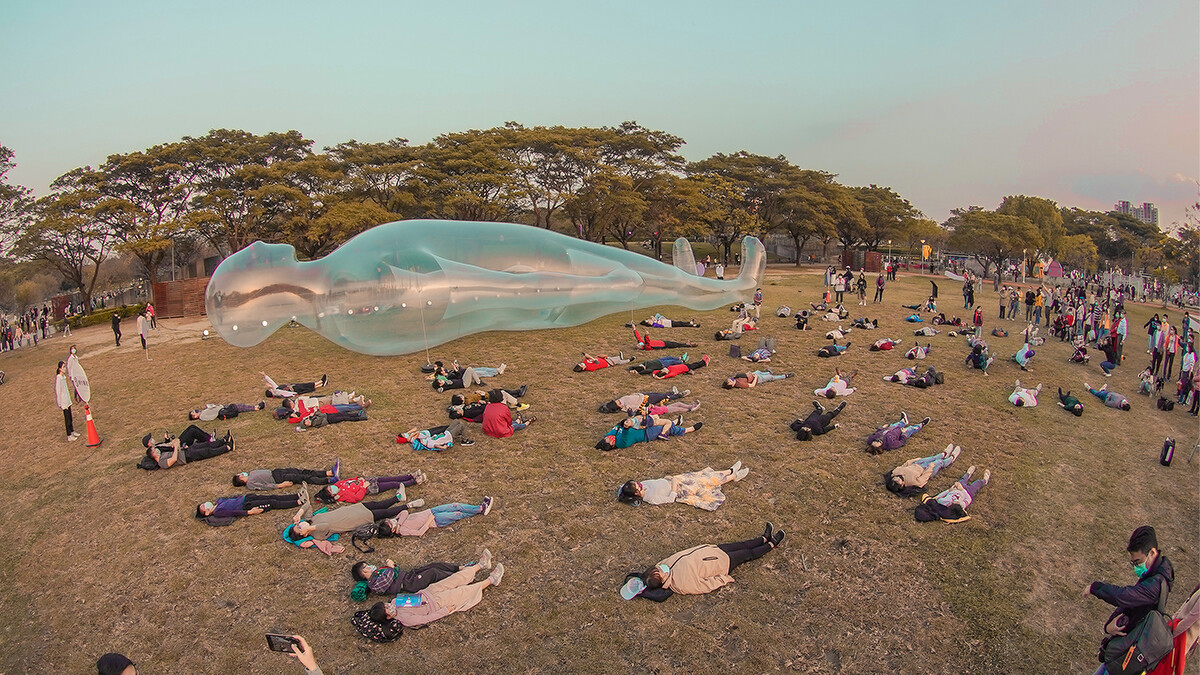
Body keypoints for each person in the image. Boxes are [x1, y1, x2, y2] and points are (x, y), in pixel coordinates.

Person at [1083, 526, 1175, 675]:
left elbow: (1124, 597)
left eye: (1138, 562)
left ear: (1152, 553)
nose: (1136, 567)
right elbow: (1130, 604)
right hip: (1128, 648)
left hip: (1127, 656)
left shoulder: (1154, 586)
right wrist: (1109, 626)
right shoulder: (1157, 572)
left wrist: (1095, 588)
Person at [619, 523, 785, 601]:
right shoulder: (681, 584)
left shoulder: (663, 565)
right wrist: (723, 578)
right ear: (662, 581)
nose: (662, 568)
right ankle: (771, 544)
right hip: (721, 564)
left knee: (741, 544)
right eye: (660, 572)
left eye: (657, 568)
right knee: (747, 554)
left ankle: (763, 538)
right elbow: (704, 586)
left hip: (713, 550)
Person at [369, 559, 505, 627]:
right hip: (437, 603)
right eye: (387, 609)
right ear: (388, 617)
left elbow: (416, 598)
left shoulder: (395, 601)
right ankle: (492, 580)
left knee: (455, 579)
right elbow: (427, 618)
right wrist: (445, 611)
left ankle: (480, 565)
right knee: (463, 592)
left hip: (430, 591)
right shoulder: (404, 619)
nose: (389, 606)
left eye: (386, 605)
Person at [616, 461, 750, 511]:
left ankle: (729, 471)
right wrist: (674, 485)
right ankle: (734, 476)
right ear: (637, 493)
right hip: (681, 489)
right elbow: (670, 499)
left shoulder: (643, 485)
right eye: (638, 486)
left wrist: (668, 478)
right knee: (706, 481)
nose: (640, 484)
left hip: (676, 479)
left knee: (701, 475)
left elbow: (656, 481)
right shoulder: (651, 498)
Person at [352, 550, 492, 597]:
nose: (370, 566)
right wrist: (390, 567)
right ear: (364, 571)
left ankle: (461, 569)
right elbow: (387, 580)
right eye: (366, 566)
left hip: (408, 575)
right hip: (408, 584)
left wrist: (393, 567)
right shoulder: (373, 584)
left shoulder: (377, 573)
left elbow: (395, 570)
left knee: (433, 565)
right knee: (433, 573)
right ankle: (465, 577)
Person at [914, 466, 991, 523]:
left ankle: (968, 473)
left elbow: (940, 495)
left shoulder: (942, 501)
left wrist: (950, 490)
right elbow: (968, 499)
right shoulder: (961, 505)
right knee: (977, 483)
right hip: (968, 492)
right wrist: (962, 490)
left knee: (963, 479)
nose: (954, 502)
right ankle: (984, 480)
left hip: (956, 488)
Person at [885, 444, 962, 496]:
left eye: (894, 479)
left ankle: (944, 454)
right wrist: (930, 467)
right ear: (902, 485)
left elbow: (905, 465)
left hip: (917, 463)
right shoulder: (913, 482)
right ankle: (951, 458)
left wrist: (913, 460)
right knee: (940, 462)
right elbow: (924, 477)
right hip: (925, 469)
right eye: (897, 481)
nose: (896, 478)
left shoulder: (895, 472)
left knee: (933, 457)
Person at [595, 414, 703, 450]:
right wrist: (626, 426)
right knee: (668, 429)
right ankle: (688, 430)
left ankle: (674, 422)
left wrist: (625, 422)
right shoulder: (621, 443)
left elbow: (615, 428)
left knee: (657, 420)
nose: (609, 437)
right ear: (612, 445)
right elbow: (625, 434)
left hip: (641, 427)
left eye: (607, 437)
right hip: (647, 434)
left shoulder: (611, 436)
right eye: (609, 440)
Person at [143, 426, 234, 469]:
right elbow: (173, 459)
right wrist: (176, 446)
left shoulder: (160, 451)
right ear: (153, 453)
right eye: (154, 450)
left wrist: (169, 441)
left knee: (206, 445)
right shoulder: (161, 462)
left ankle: (223, 440)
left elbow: (168, 448)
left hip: (185, 450)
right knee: (207, 451)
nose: (156, 450)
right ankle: (227, 447)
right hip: (186, 456)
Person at [194, 492, 304, 525]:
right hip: (247, 505)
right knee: (272, 503)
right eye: (204, 506)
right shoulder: (218, 512)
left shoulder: (219, 502)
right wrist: (250, 512)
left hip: (246, 498)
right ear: (207, 513)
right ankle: (297, 502)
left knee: (271, 497)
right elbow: (233, 512)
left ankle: (296, 495)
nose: (205, 504)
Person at [313, 473, 425, 504]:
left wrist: (358, 478)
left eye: (329, 487)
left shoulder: (338, 485)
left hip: (367, 480)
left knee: (389, 478)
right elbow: (357, 498)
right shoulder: (342, 496)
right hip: (370, 488)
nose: (332, 488)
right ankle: (414, 481)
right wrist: (363, 487)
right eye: (330, 490)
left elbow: (349, 480)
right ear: (332, 495)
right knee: (392, 484)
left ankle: (410, 476)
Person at [234, 464, 338, 489]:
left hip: (276, 472)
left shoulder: (251, 473)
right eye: (240, 475)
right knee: (301, 477)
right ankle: (327, 481)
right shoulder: (250, 484)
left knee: (301, 472)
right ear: (240, 478)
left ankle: (328, 473)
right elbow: (264, 486)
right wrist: (280, 485)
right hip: (277, 479)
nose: (241, 473)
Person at [598, 387, 691, 415]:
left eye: (617, 401)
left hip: (642, 395)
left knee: (658, 394)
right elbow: (637, 408)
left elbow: (629, 396)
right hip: (645, 400)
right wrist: (646, 405)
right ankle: (678, 395)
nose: (618, 401)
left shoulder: (621, 400)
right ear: (618, 407)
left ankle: (671, 393)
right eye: (618, 403)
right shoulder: (626, 407)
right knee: (662, 397)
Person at [397, 419, 476, 449]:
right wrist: (444, 446)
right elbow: (438, 446)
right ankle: (465, 440)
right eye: (421, 442)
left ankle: (458, 432)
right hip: (449, 436)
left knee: (456, 421)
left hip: (445, 433)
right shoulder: (429, 444)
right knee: (461, 425)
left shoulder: (427, 440)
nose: (421, 441)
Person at [55, 361, 78, 442]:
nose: (65, 368)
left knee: (70, 418)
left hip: (67, 401)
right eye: (63, 367)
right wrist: (60, 403)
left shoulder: (63, 377)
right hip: (64, 402)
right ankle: (69, 435)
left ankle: (72, 431)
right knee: (67, 419)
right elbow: (58, 391)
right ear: (60, 369)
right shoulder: (59, 378)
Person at [262, 371, 328, 398]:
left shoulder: (277, 390)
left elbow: (272, 383)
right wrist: (271, 386)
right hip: (295, 390)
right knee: (306, 386)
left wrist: (265, 376)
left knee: (306, 386)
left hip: (294, 387)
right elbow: (274, 388)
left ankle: (321, 384)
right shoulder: (277, 393)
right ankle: (321, 382)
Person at [189, 401, 267, 421]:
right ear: (194, 416)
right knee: (239, 407)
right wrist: (218, 412)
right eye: (194, 412)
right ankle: (256, 407)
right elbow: (211, 417)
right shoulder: (202, 416)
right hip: (223, 410)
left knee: (240, 406)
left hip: (222, 408)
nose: (195, 411)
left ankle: (255, 407)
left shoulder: (202, 413)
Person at [722, 370, 793, 389]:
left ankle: (768, 372)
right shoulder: (740, 384)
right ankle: (785, 376)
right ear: (732, 385)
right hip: (758, 379)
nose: (730, 380)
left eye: (729, 380)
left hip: (754, 374)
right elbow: (752, 385)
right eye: (730, 382)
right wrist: (755, 377)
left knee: (761, 372)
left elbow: (743, 375)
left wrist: (750, 373)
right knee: (771, 377)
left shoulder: (735, 379)